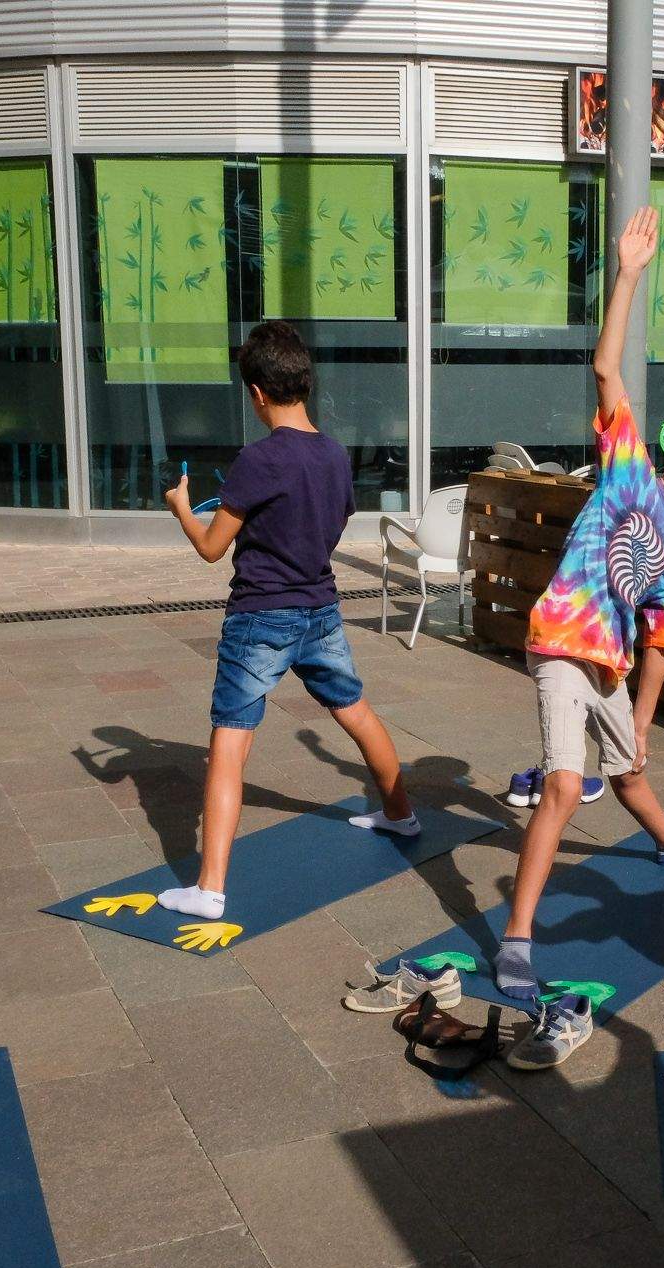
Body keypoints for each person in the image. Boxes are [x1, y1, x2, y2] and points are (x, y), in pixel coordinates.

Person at [382, 206, 664, 1068]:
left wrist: (644, 715)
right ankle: (516, 935)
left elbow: (663, 640)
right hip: (559, 646)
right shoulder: (625, 464)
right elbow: (608, 364)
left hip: (610, 666)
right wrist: (628, 273)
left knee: (631, 769)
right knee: (562, 786)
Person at [157, 319, 418, 920]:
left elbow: (211, 547)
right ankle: (402, 815)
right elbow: (330, 521)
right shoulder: (333, 454)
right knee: (356, 711)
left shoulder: (256, 461)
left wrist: (179, 509)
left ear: (257, 393)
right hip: (320, 609)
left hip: (260, 617)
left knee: (229, 742)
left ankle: (209, 889)